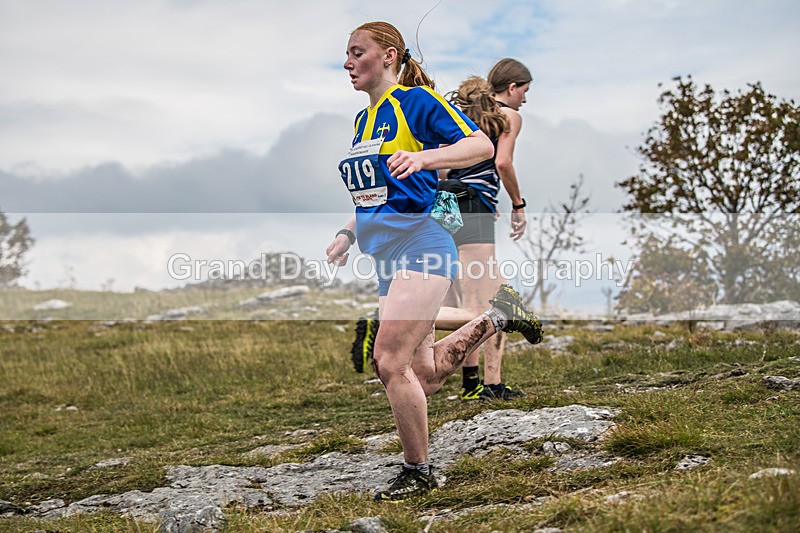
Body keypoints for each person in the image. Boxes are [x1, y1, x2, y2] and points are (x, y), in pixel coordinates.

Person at [327, 22, 542, 502]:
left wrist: (424, 159)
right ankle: (498, 317)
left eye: (355, 52)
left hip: (421, 245)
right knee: (423, 376)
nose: (346, 62)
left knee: (387, 360)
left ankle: (418, 471)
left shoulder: (416, 103)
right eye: (345, 54)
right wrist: (347, 232)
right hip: (385, 253)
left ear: (387, 55)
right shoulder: (365, 121)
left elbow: (481, 147)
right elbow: (374, 194)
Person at [351, 59, 541, 403]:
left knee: (449, 295)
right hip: (475, 208)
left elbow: (437, 168)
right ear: (511, 88)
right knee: (486, 297)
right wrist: (517, 202)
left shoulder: (456, 112)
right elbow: (502, 162)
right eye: (524, 91)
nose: (524, 99)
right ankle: (491, 383)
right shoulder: (508, 117)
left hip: (442, 207)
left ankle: (467, 380)